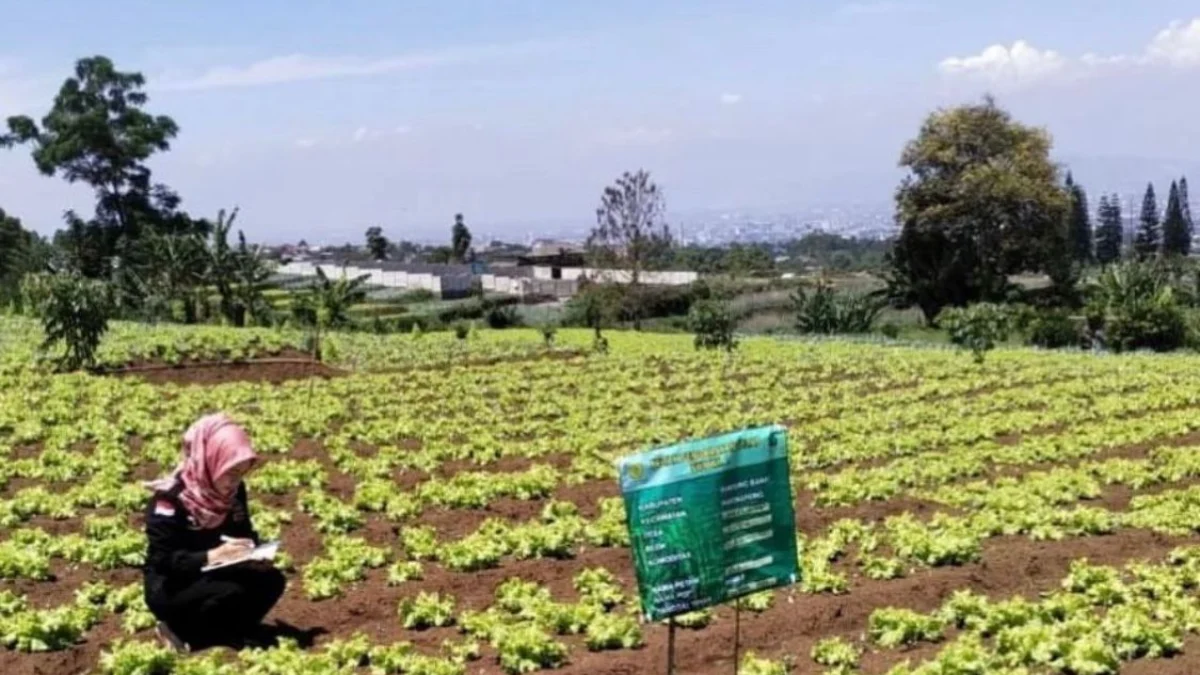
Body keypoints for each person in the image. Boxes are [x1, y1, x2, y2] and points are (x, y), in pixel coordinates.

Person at [143, 413, 286, 652]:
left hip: (217, 571)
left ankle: (228, 632)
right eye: (229, 472)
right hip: (172, 584)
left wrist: (253, 554)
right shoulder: (170, 500)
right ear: (210, 461)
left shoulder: (234, 492)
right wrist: (212, 556)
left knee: (271, 581)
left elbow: (243, 531)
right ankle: (177, 630)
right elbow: (163, 561)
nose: (234, 481)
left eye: (241, 472)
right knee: (231, 591)